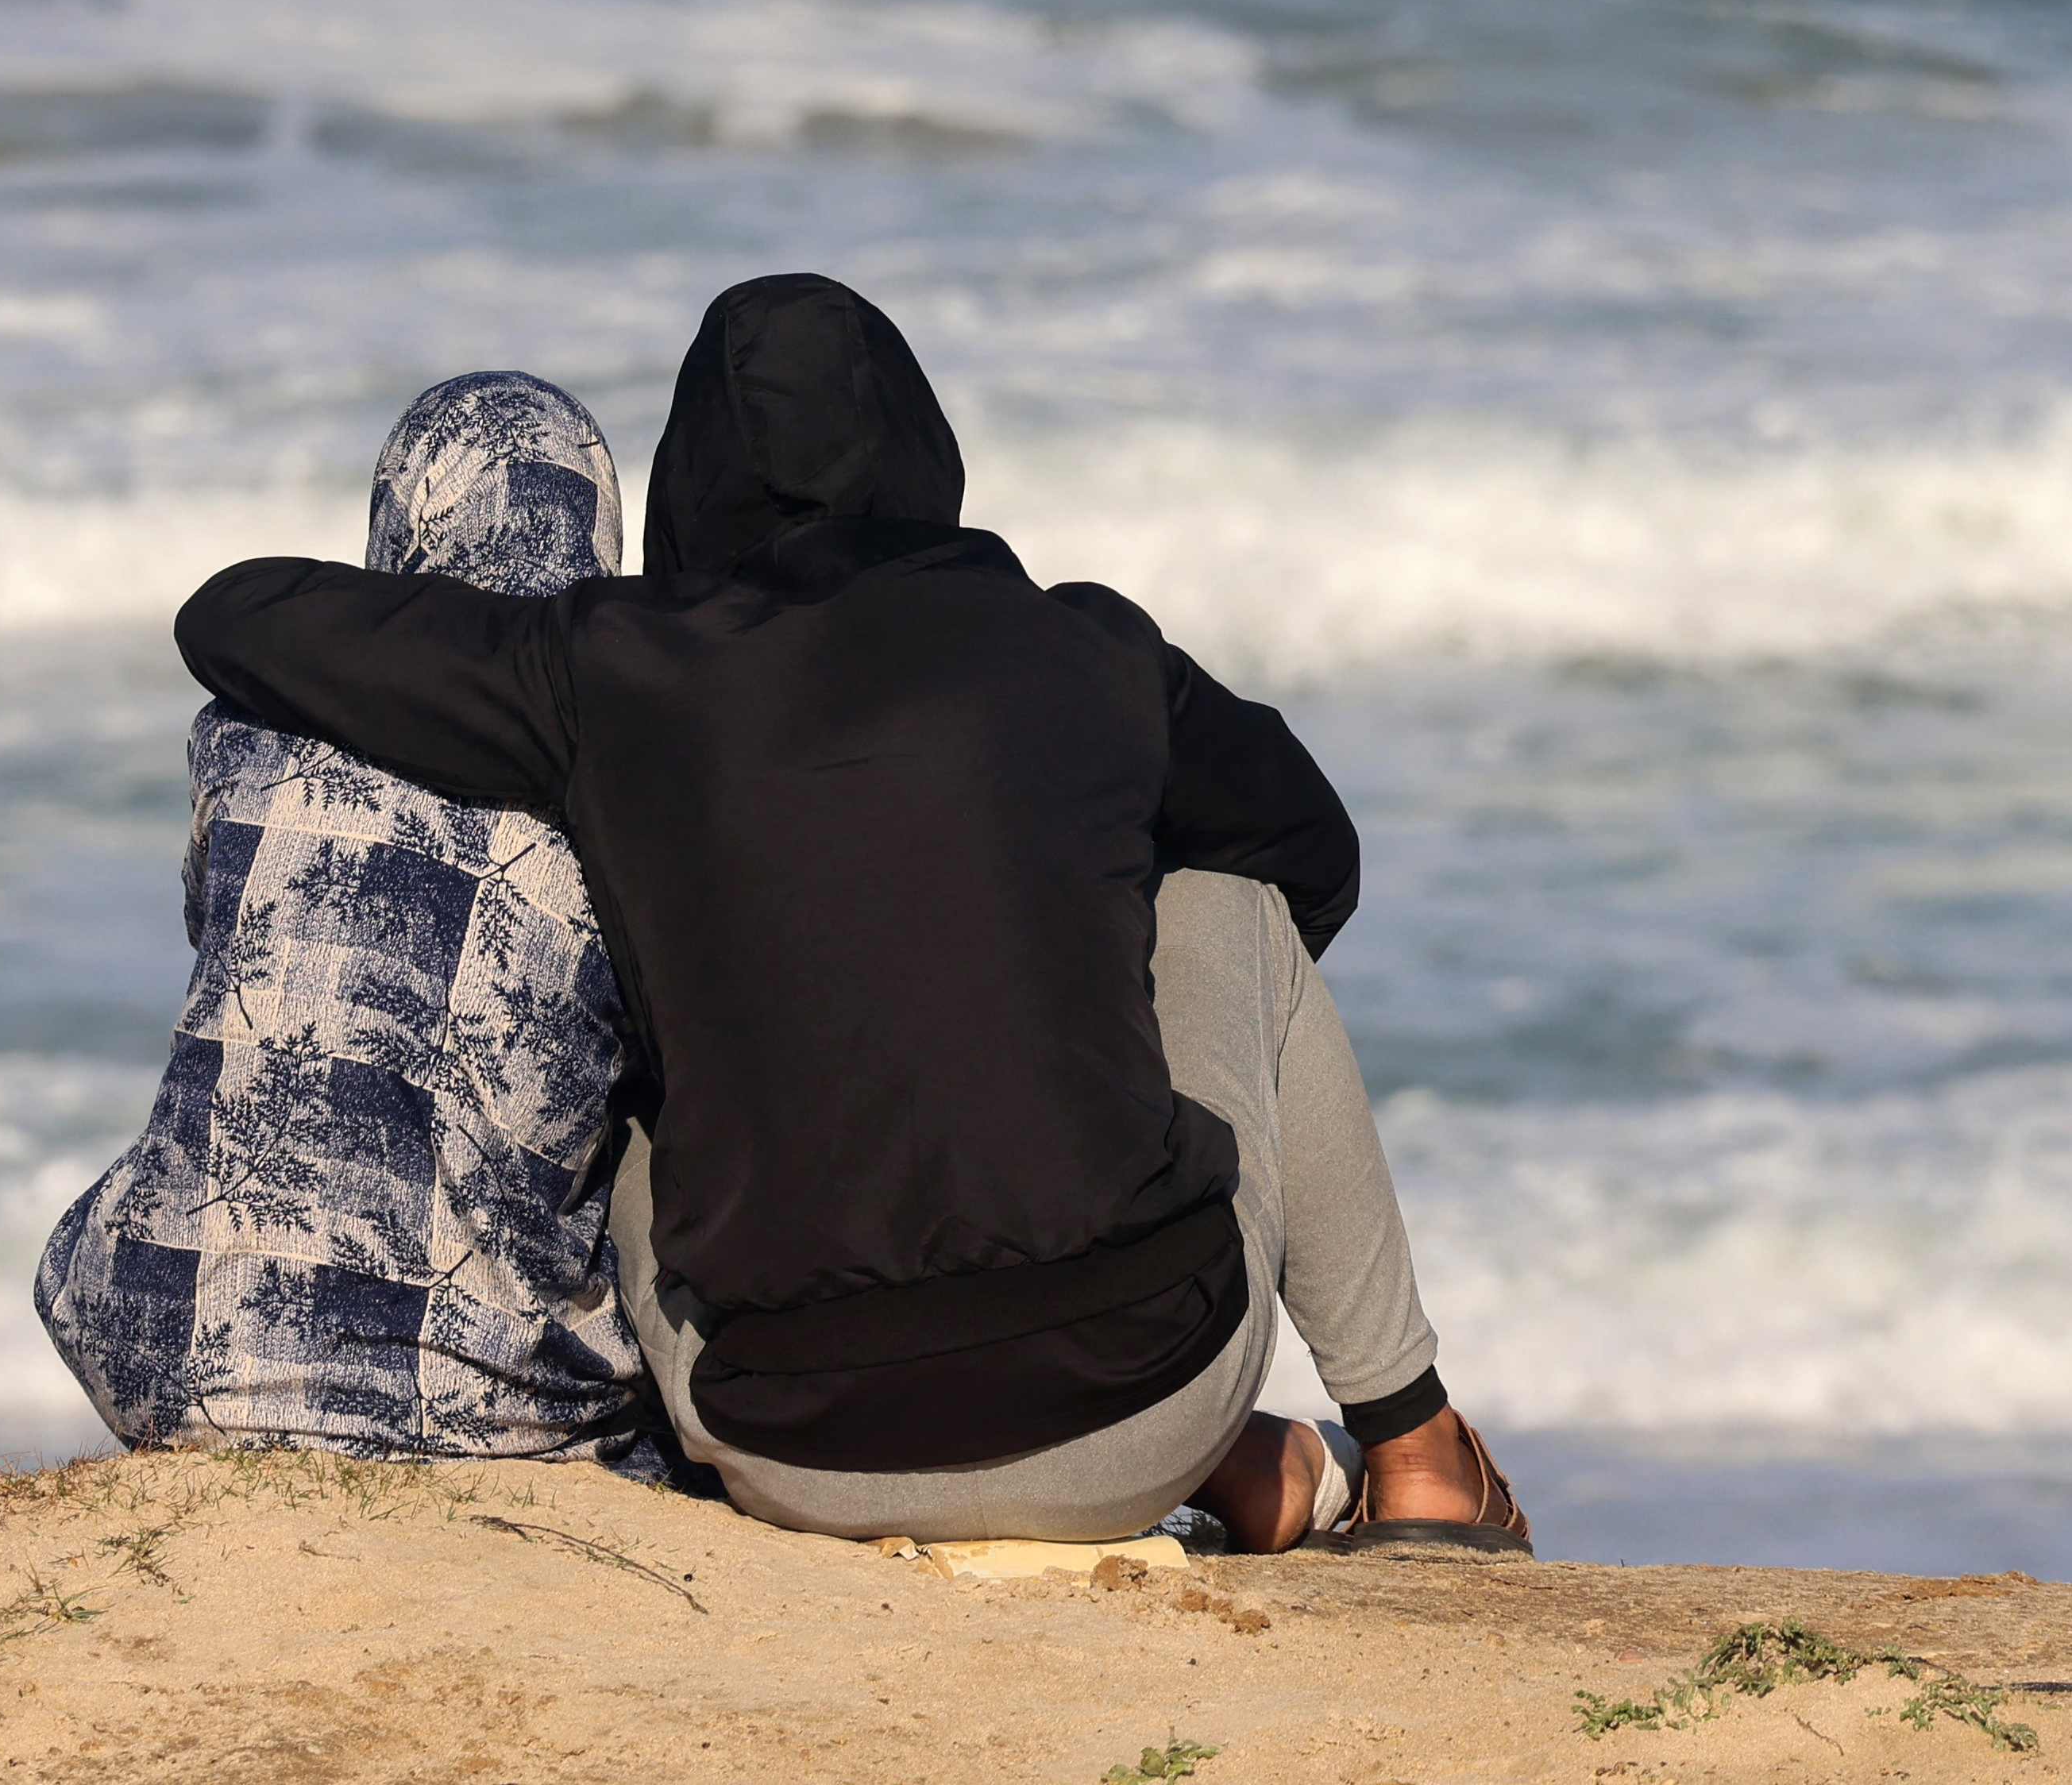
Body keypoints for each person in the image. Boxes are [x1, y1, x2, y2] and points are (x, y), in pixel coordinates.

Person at [178, 272, 1527, 1552]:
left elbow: (234, 613)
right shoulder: (1086, 650)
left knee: (652, 1060)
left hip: (792, 1455)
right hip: (1153, 1392)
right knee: (1230, 897)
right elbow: (1312, 849)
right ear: (924, 455)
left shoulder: (610, 669)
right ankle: (1415, 1450)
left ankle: (1211, 1462)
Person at [39, 371, 665, 1472]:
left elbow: (215, 931)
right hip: (471, 1407)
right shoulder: (627, 783)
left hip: (162, 1342)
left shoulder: (242, 730)